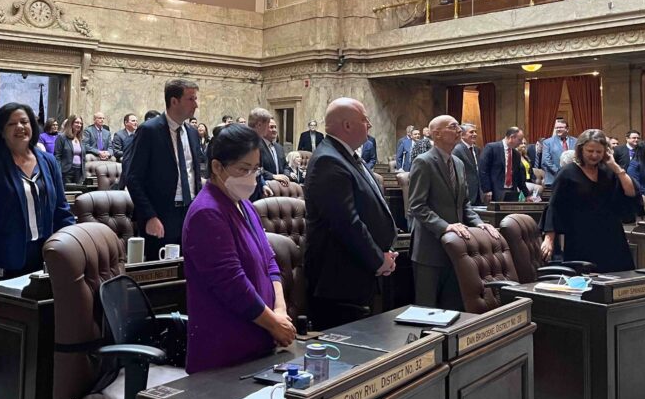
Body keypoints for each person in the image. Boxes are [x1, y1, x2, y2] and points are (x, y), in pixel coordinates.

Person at [182, 124, 294, 373]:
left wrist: (280, 310)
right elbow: (231, 284)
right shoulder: (207, 212)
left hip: (261, 341)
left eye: (255, 169)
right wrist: (273, 324)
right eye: (243, 169)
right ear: (217, 167)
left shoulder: (245, 205)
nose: (251, 177)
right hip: (226, 351)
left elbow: (269, 261)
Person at [0, 103, 74, 294]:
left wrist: (74, 250)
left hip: (45, 257)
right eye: (12, 124)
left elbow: (62, 212)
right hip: (3, 260)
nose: (20, 127)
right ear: (1, 131)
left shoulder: (48, 161)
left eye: (24, 122)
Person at [303, 98, 397, 328]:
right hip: (339, 281)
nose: (369, 125)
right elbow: (346, 222)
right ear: (347, 125)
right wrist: (378, 259)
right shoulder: (328, 160)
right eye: (365, 120)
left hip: (360, 272)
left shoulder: (347, 156)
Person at [409, 115, 495, 310]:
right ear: (437, 134)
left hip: (457, 248)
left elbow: (464, 203)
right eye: (453, 126)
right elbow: (417, 206)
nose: (459, 130)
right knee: (427, 308)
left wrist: (479, 223)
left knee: (454, 306)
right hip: (429, 248)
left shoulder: (458, 162)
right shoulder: (423, 162)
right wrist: (445, 227)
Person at [126, 79, 203, 259]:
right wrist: (149, 216)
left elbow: (194, 174)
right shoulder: (149, 130)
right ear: (174, 101)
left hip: (190, 212)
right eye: (191, 99)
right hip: (160, 216)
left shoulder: (192, 133)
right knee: (162, 270)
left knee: (191, 267)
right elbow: (133, 178)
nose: (196, 105)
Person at [542, 129, 637, 272]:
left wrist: (615, 167)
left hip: (611, 234)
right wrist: (549, 239)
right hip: (581, 235)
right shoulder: (567, 173)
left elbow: (630, 193)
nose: (595, 155)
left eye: (599, 151)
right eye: (590, 151)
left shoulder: (608, 171)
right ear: (581, 150)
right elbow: (554, 206)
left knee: (620, 277)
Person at [480, 127, 532, 202]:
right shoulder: (492, 148)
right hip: (494, 192)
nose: (521, 143)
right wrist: (487, 190)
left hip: (512, 192)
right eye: (519, 140)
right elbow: (483, 170)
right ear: (512, 137)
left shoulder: (516, 154)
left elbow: (519, 177)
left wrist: (527, 195)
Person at [453, 123, 481, 206]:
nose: (475, 134)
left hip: (479, 192)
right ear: (462, 135)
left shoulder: (476, 149)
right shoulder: (457, 150)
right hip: (466, 191)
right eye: (471, 132)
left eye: (475, 132)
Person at [54, 114, 86, 185]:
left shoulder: (81, 139)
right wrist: (58, 172)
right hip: (66, 171)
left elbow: (83, 158)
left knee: (79, 191)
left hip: (79, 171)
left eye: (81, 123)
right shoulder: (62, 138)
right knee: (68, 191)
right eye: (77, 122)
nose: (79, 125)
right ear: (71, 123)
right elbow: (57, 156)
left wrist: (84, 173)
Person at [540, 118, 573, 185]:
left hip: (573, 179)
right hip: (554, 179)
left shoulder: (576, 141)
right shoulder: (547, 142)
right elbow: (546, 161)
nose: (558, 129)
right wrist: (560, 172)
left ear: (567, 129)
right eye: (557, 128)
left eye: (561, 127)